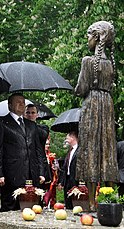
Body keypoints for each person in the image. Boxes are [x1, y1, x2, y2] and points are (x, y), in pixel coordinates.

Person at [74, 21, 119, 211]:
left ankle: (91, 202)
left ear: (97, 37)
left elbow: (82, 88)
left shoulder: (88, 61)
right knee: (107, 149)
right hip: (107, 106)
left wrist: (77, 90)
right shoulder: (110, 65)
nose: (87, 39)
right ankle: (108, 200)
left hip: (92, 106)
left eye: (89, 35)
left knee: (91, 149)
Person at [0, 93, 45, 212]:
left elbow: (38, 150)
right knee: (10, 209)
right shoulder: (1, 123)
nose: (22, 104)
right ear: (10, 105)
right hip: (11, 175)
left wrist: (41, 172)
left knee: (32, 209)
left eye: (23, 102)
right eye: (18, 102)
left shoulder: (31, 125)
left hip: (32, 175)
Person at [25, 104, 51, 185]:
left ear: (37, 115)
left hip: (39, 166)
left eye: (33, 113)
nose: (30, 115)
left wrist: (31, 124)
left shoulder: (43, 128)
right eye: (28, 113)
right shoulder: (21, 128)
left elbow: (43, 135)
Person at [57, 131, 79, 209]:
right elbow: (64, 167)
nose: (66, 139)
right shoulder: (70, 151)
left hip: (76, 179)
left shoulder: (80, 150)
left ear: (72, 138)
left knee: (76, 201)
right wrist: (61, 182)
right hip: (68, 179)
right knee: (68, 200)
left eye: (67, 138)